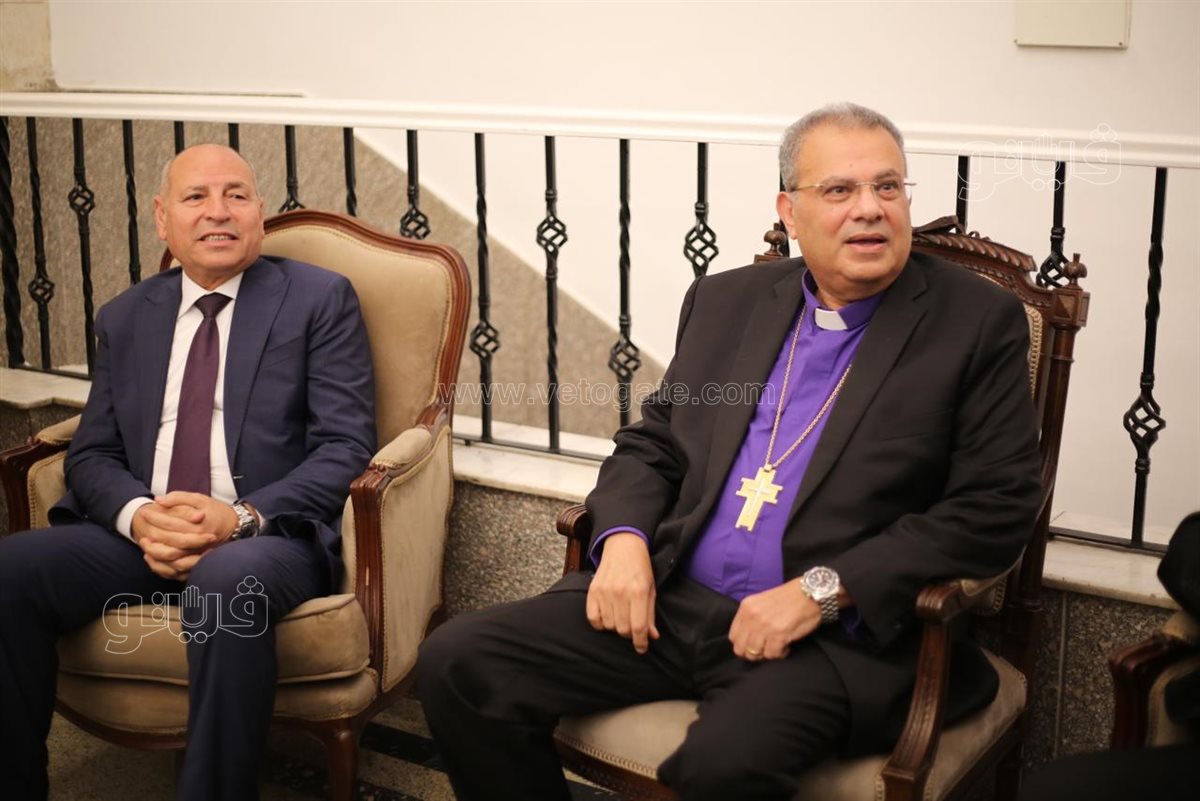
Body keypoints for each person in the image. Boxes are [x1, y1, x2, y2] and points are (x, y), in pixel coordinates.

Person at [416, 102, 1042, 801]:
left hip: (827, 639)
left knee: (723, 764)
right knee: (459, 661)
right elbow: (654, 442)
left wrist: (821, 591)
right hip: (672, 599)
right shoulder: (727, 301)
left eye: (887, 186)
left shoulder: (973, 322)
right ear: (790, 211)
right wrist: (622, 542)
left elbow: (995, 505)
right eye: (840, 189)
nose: (870, 208)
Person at [0, 144, 376, 801]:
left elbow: (344, 445)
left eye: (236, 194)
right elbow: (92, 453)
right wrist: (140, 516)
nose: (217, 212)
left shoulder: (318, 299)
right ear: (161, 217)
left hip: (266, 537)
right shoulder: (126, 316)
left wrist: (238, 517)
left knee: (224, 582)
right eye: (196, 197)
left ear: (259, 213)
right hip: (143, 534)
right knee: (11, 568)